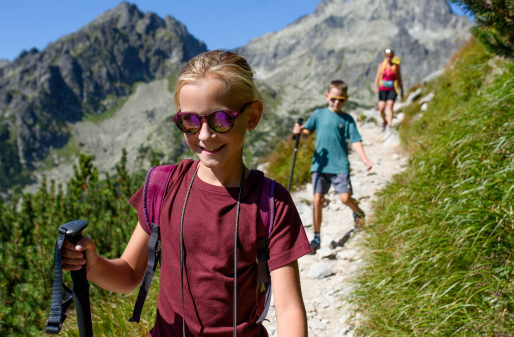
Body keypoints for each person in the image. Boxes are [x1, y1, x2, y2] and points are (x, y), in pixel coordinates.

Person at [61, 51, 311, 336]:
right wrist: (93, 266)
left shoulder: (271, 203)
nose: (204, 134)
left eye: (220, 119)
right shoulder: (163, 186)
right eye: (190, 121)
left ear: (252, 116)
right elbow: (129, 274)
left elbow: (290, 310)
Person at [292, 80, 372, 254]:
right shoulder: (319, 114)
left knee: (345, 198)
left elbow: (355, 140)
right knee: (317, 201)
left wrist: (365, 159)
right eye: (334, 99)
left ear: (346, 99)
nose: (337, 102)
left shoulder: (347, 119)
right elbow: (306, 132)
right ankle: (316, 238)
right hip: (320, 166)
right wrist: (298, 132)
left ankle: (358, 212)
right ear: (327, 96)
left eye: (341, 100)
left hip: (340, 165)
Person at [374, 48, 404, 132]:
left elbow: (399, 78)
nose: (388, 58)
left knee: (389, 105)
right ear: (385, 57)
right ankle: (384, 121)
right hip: (383, 88)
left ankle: (390, 126)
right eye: (387, 56)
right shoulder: (381, 65)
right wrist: (376, 86)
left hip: (392, 88)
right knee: (381, 107)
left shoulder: (396, 66)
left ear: (392, 57)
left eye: (390, 56)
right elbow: (377, 76)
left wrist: (402, 91)